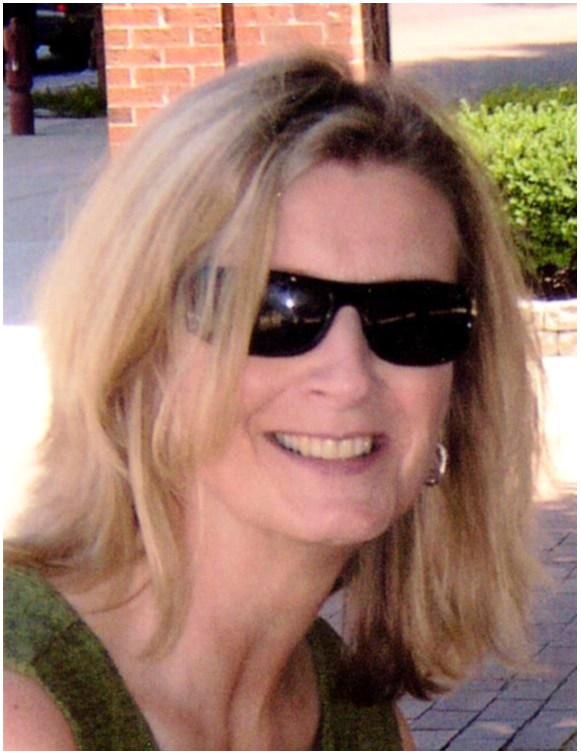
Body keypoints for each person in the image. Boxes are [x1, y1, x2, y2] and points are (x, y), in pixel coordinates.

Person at [4, 50, 542, 751]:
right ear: (139, 349)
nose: (348, 377)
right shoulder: (23, 713)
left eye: (411, 316)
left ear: (459, 388)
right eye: (272, 309)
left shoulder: (361, 723)